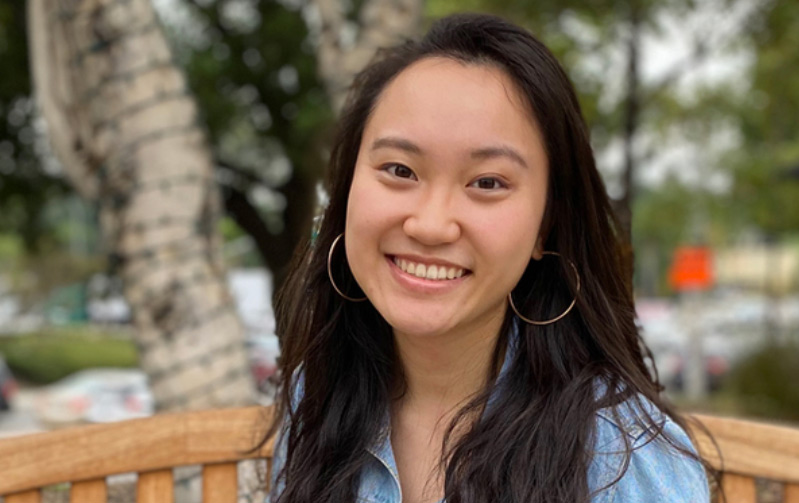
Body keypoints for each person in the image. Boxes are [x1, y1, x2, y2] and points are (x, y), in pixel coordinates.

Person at [266, 12, 712, 503]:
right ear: (348, 190)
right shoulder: (319, 392)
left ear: (547, 225)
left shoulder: (621, 454)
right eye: (399, 169)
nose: (431, 225)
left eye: (487, 183)